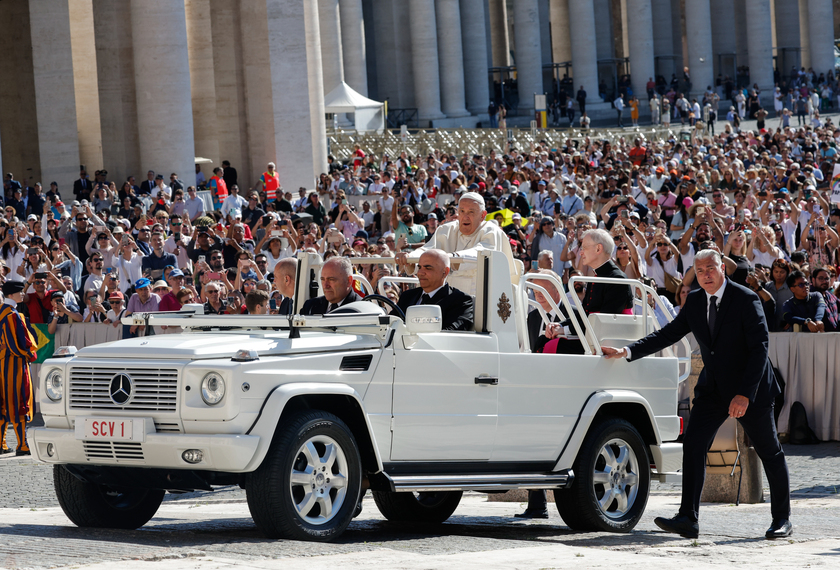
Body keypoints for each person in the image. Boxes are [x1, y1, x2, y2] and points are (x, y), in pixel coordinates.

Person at [603, 250, 791, 540]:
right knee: (693, 445)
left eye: (711, 268)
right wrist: (626, 351)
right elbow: (667, 335)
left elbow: (759, 350)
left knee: (770, 452)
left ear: (722, 269)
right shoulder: (693, 300)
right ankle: (688, 518)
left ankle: (782, 519)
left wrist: (744, 395)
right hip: (714, 389)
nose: (706, 274)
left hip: (750, 389)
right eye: (700, 270)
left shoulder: (745, 299)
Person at [397, 192, 518, 296]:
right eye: (462, 211)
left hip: (479, 296)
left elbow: (481, 253)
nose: (465, 217)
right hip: (446, 297)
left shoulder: (491, 230)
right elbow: (427, 250)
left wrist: (450, 257)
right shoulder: (445, 230)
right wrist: (410, 257)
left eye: (471, 212)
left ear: (482, 215)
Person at [0, 280, 38, 456]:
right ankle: (22, 445)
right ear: (11, 295)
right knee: (18, 401)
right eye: (20, 291)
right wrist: (29, 354)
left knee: (2, 403)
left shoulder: (3, 312)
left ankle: (2, 443)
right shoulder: (13, 315)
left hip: (2, 363)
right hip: (13, 363)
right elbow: (16, 345)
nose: (23, 294)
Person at [395, 250, 473, 331]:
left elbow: (452, 333)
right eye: (419, 267)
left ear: (445, 271)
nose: (420, 273)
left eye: (428, 268)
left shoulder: (460, 300)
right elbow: (391, 323)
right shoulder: (407, 296)